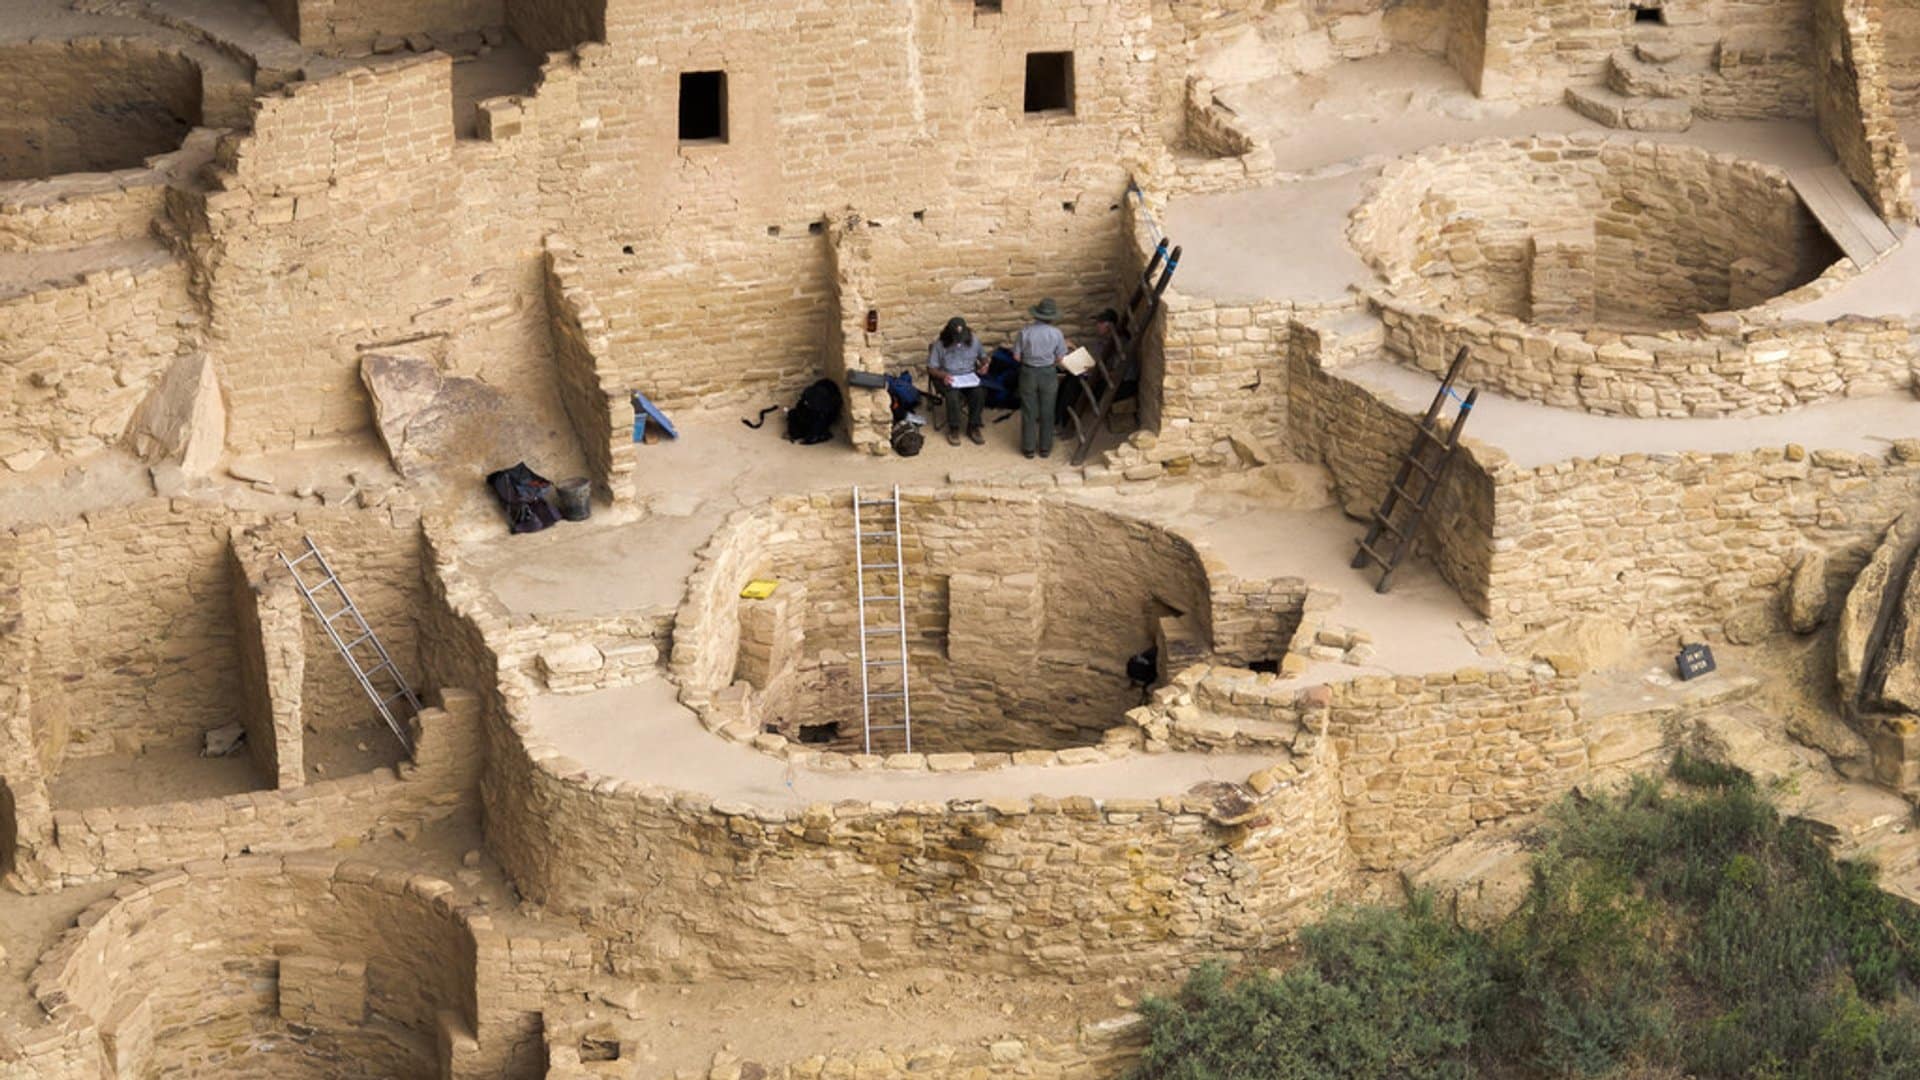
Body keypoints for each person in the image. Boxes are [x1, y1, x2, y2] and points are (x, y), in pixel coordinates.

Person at [1013, 297, 1071, 458]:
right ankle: (1045, 448)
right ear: (1052, 317)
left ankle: (1029, 448)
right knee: (1048, 410)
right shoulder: (1057, 333)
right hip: (1048, 373)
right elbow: (1060, 358)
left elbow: (1016, 357)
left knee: (1028, 410)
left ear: (1036, 315)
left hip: (1028, 372)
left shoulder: (1024, 332)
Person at [926, 316, 986, 446]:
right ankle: (954, 428)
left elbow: (984, 357)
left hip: (968, 377)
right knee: (953, 396)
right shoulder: (939, 344)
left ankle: (973, 426)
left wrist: (984, 365)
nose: (959, 342)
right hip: (946, 377)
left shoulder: (974, 340)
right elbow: (931, 368)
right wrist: (943, 376)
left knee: (979, 393)